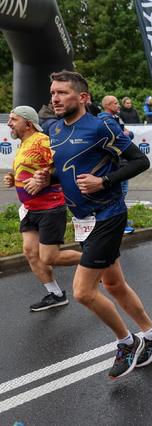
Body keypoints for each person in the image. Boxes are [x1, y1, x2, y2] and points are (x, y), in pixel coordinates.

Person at [34, 70, 152, 379]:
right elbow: (66, 169)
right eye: (53, 92)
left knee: (82, 291)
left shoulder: (100, 127)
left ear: (82, 97)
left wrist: (104, 180)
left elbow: (140, 161)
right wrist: (48, 177)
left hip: (107, 215)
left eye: (62, 93)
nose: (55, 98)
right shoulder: (54, 130)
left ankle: (126, 341)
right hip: (83, 219)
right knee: (113, 284)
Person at [3, 106, 81, 311]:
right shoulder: (23, 143)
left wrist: (45, 182)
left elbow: (63, 167)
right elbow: (31, 170)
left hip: (49, 207)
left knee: (50, 257)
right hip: (29, 208)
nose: (9, 123)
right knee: (30, 252)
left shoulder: (42, 140)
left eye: (13, 119)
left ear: (28, 123)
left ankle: (96, 260)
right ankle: (55, 294)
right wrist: (15, 179)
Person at [99, 95, 136, 234]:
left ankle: (123, 221)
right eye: (115, 103)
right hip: (116, 163)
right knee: (119, 194)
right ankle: (121, 225)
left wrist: (127, 134)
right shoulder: (106, 121)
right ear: (108, 105)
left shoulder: (114, 119)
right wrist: (127, 134)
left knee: (122, 193)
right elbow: (121, 137)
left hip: (120, 161)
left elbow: (126, 134)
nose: (118, 105)